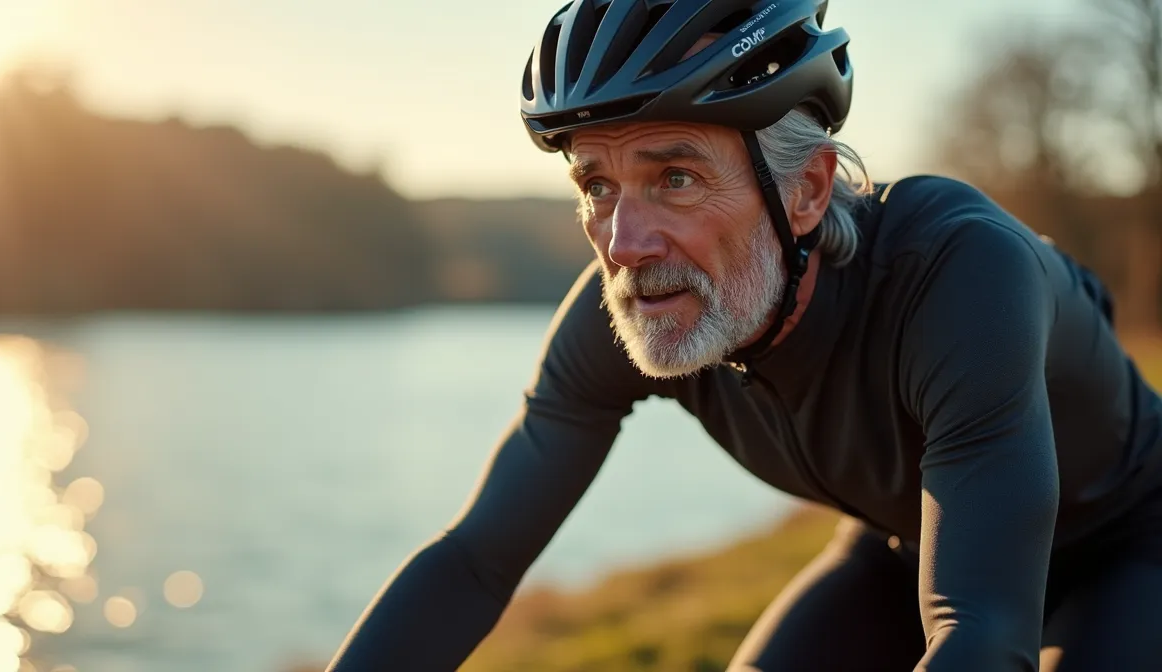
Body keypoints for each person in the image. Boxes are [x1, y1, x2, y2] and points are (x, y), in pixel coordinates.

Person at [325, 1, 1162, 670]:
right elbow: (476, 562)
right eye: (597, 184)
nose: (623, 243)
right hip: (898, 548)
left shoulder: (958, 278)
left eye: (675, 177)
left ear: (806, 190)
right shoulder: (638, 302)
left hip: (1129, 545)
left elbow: (980, 630)